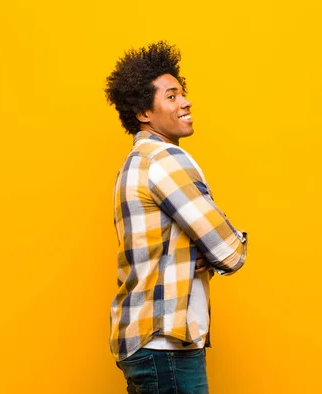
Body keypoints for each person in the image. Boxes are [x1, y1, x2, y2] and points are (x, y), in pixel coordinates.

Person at [105, 41, 248, 394]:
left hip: (142, 342)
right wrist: (215, 249)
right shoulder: (165, 160)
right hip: (165, 346)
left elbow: (161, 249)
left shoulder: (134, 164)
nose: (185, 103)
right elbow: (229, 251)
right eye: (171, 97)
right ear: (143, 112)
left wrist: (193, 253)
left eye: (182, 94)